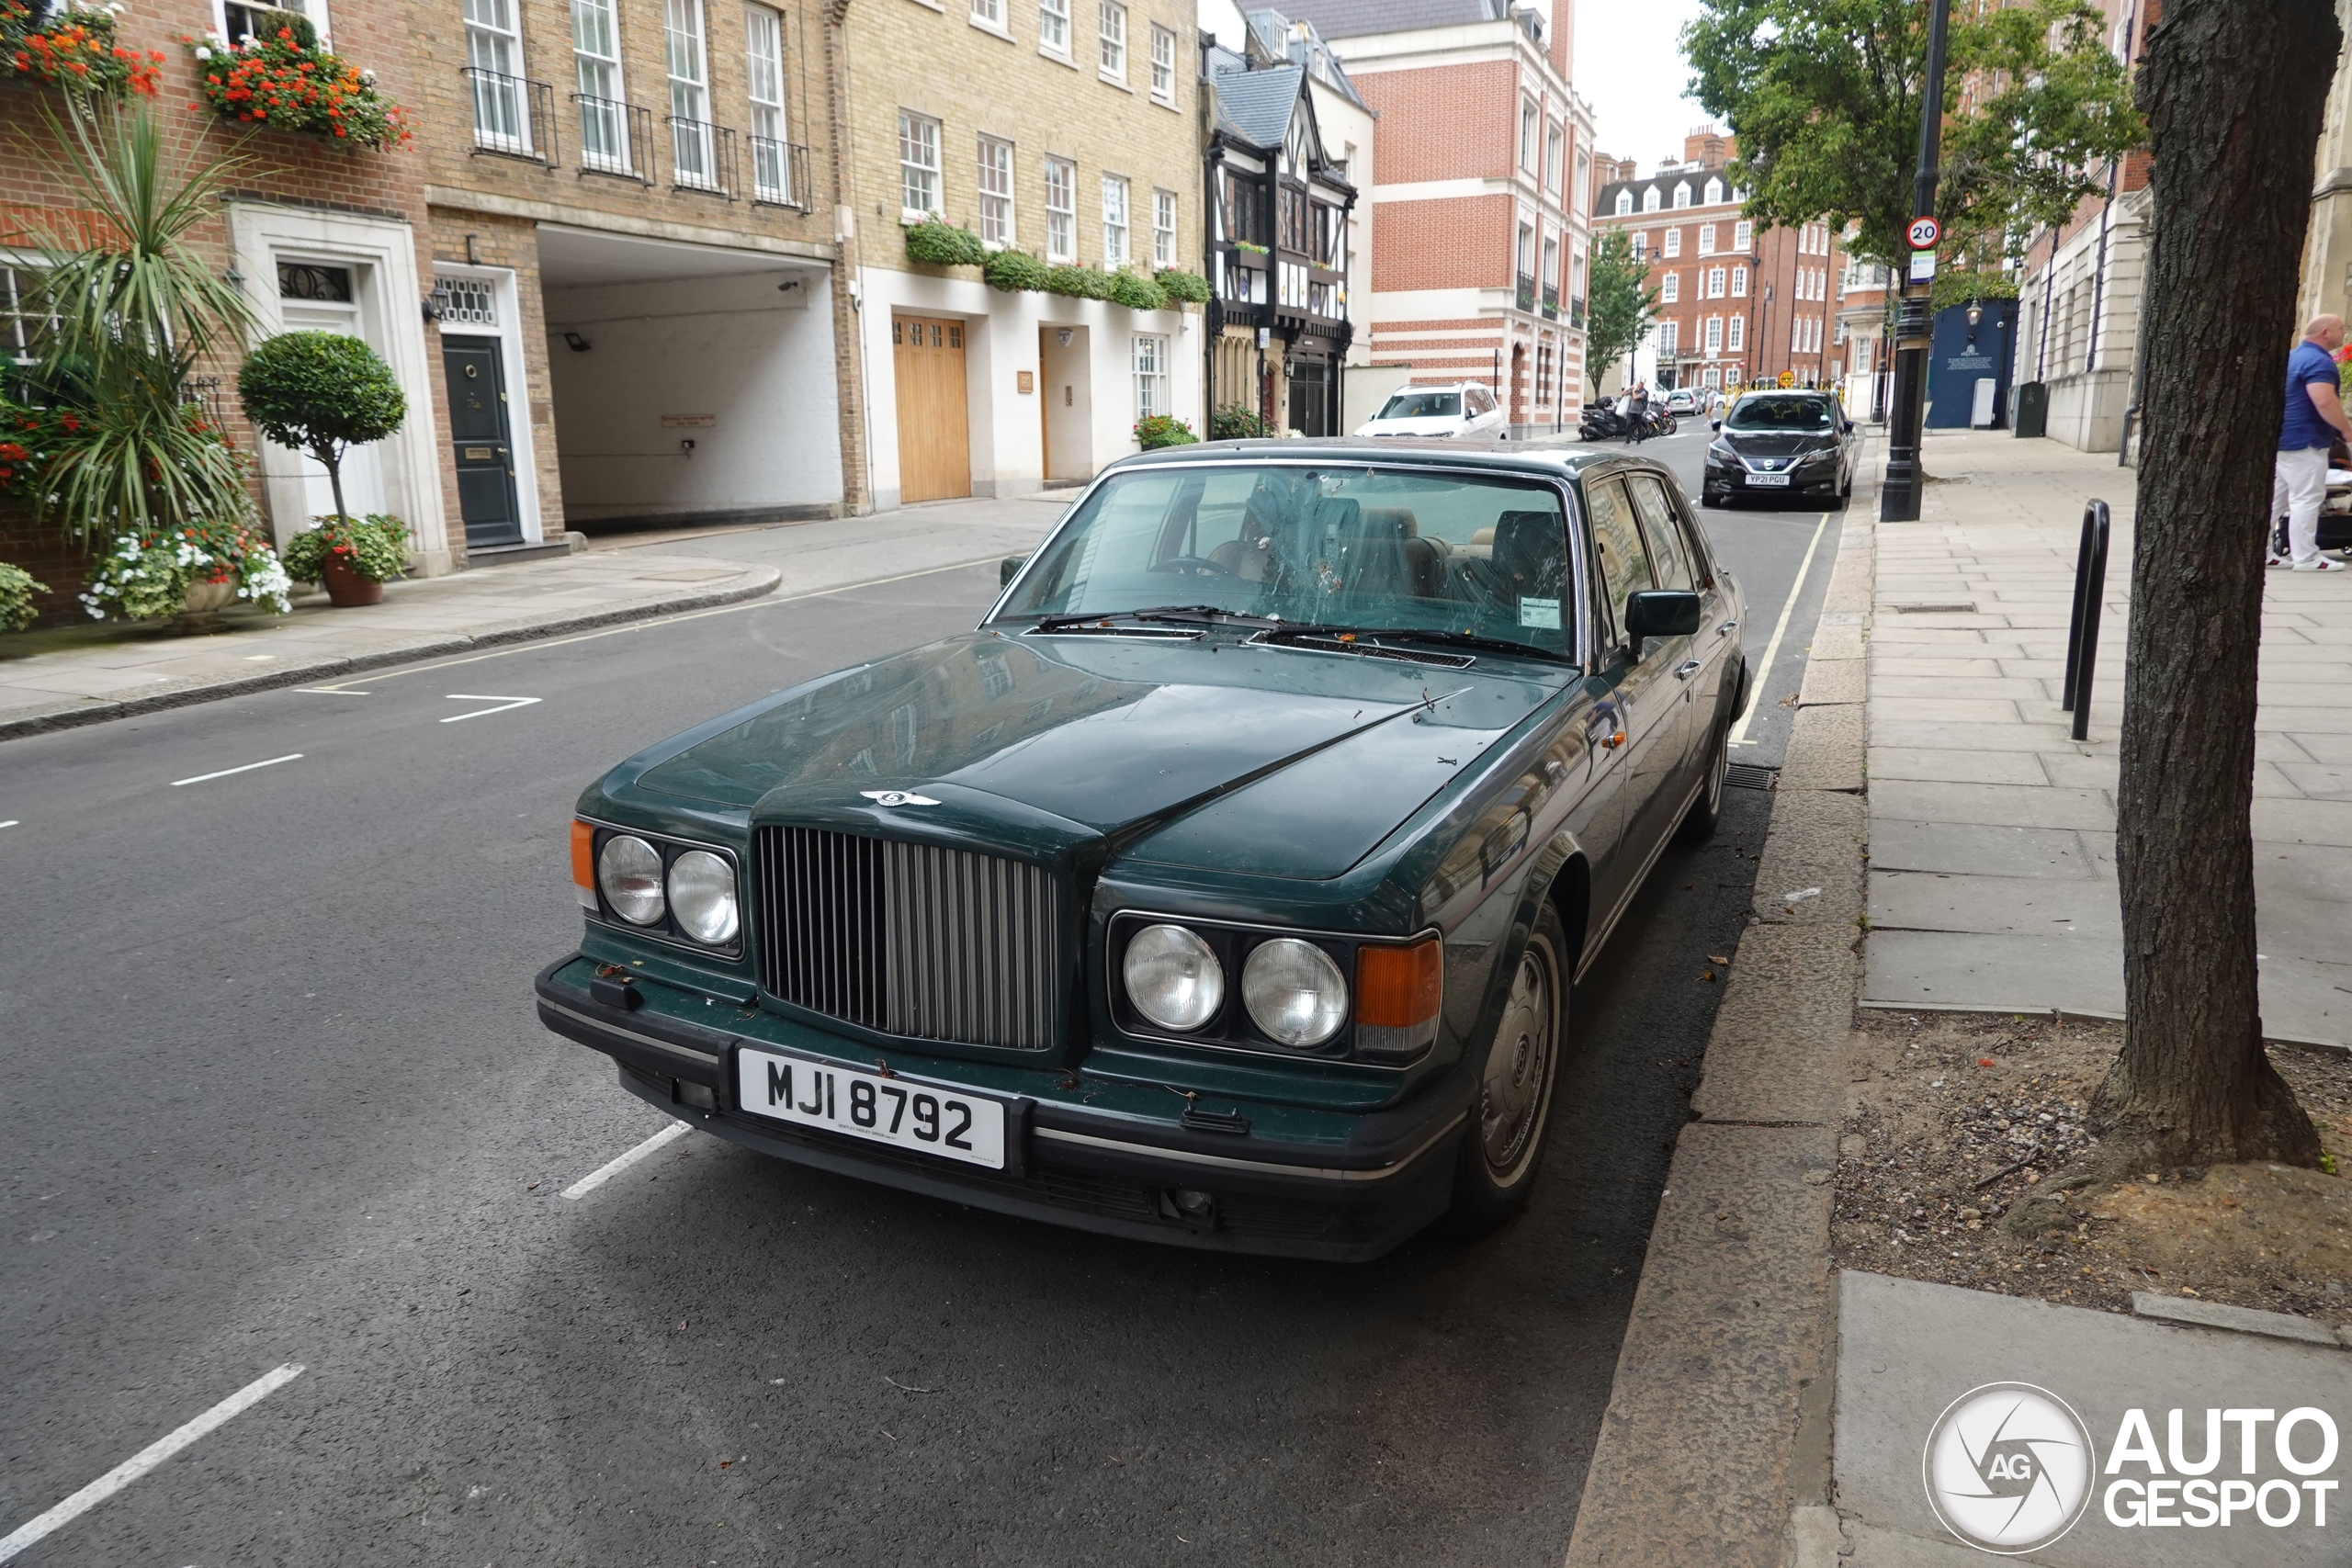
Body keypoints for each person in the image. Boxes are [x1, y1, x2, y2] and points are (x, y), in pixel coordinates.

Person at [2273, 314, 2352, 571]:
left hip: (2284, 439)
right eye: (2342, 328)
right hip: (2306, 440)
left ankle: (2264, 553)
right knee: (2307, 498)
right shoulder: (2319, 361)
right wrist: (2346, 430)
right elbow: (2325, 401)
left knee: (2276, 500)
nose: (2345, 332)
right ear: (2325, 333)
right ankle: (2306, 557)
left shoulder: (2294, 356)